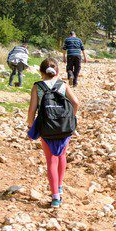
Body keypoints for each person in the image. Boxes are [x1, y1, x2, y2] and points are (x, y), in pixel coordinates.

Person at [26, 58, 79, 209]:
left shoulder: (38, 87)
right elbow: (76, 103)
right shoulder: (63, 84)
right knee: (61, 155)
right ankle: (60, 186)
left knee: (51, 161)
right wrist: (71, 119)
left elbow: (32, 110)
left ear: (41, 72)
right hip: (64, 127)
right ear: (57, 72)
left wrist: (30, 125)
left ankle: (55, 197)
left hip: (46, 127)